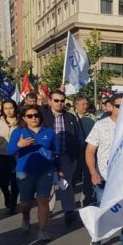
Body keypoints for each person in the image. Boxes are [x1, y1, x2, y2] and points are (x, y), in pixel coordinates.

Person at [85, 93, 123, 245]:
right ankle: (96, 236)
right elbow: (90, 151)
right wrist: (93, 172)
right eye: (118, 106)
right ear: (110, 107)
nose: (122, 109)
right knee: (102, 210)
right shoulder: (100, 126)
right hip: (104, 178)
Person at [7, 104, 59, 241]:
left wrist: (59, 169)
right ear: (24, 118)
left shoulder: (50, 132)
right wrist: (19, 145)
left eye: (36, 115)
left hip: (45, 171)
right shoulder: (18, 132)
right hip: (25, 171)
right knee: (26, 203)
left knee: (43, 200)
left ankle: (42, 230)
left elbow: (57, 152)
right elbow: (9, 151)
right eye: (30, 116)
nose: (33, 118)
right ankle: (26, 216)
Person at [41, 90, 82, 225]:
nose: (60, 103)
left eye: (62, 100)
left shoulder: (70, 117)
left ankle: (69, 211)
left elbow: (78, 136)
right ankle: (48, 209)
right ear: (50, 101)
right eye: (56, 100)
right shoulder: (42, 116)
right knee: (48, 185)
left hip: (66, 157)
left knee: (66, 184)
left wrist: (76, 153)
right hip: (47, 157)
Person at [71, 95, 97, 207]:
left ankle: (86, 200)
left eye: (86, 104)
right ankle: (70, 200)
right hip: (75, 152)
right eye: (82, 104)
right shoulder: (70, 116)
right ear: (75, 105)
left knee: (88, 176)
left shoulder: (92, 117)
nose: (85, 106)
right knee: (73, 177)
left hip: (89, 151)